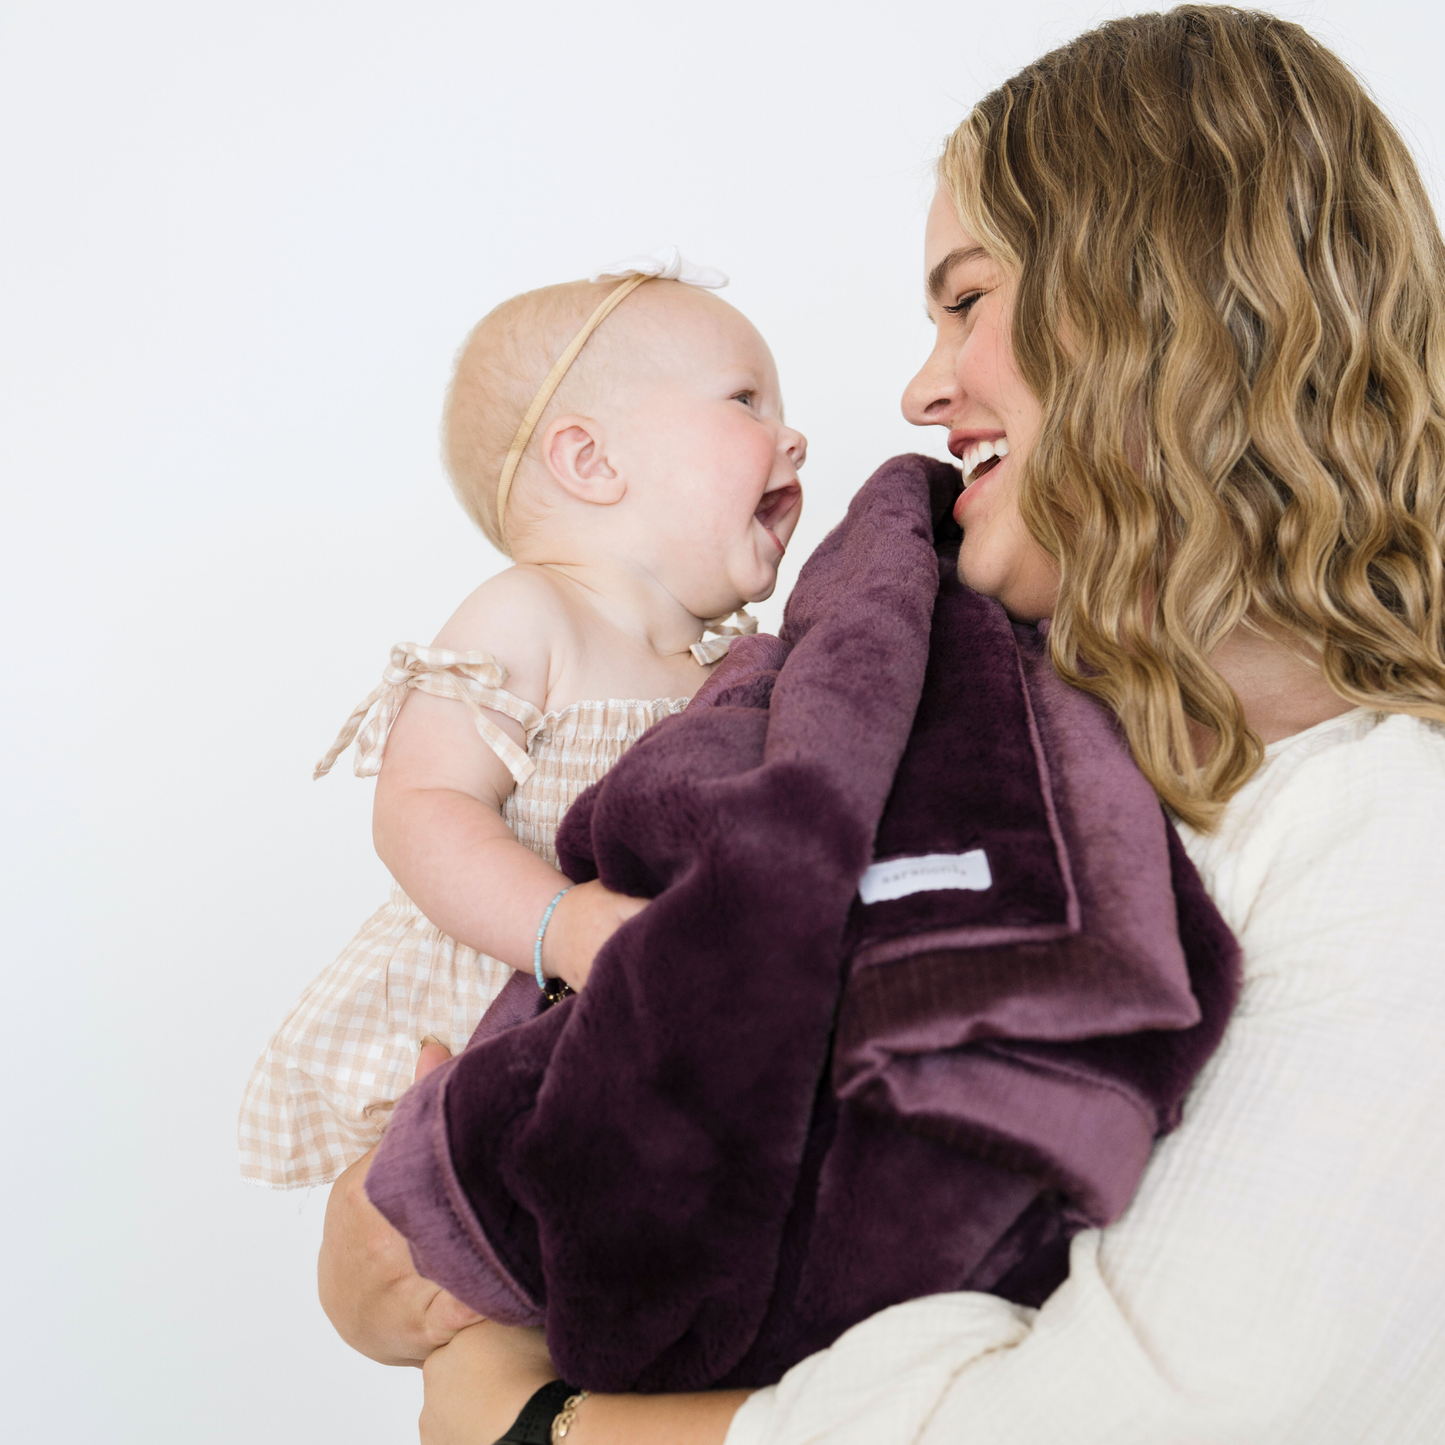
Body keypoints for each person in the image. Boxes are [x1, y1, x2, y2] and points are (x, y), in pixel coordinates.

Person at [320, 8, 1445, 1442]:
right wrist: (453, 1203)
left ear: (1156, 300)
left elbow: (1124, 1422)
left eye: (967, 300)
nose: (919, 387)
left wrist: (531, 1419)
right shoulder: (994, 738)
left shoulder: (1397, 834)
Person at [239, 250, 806, 1189]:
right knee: (485, 1304)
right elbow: (418, 806)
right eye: (746, 401)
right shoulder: (529, 614)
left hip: (638, 1051)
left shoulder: (730, 668)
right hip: (487, 1028)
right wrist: (563, 923)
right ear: (591, 459)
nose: (793, 439)